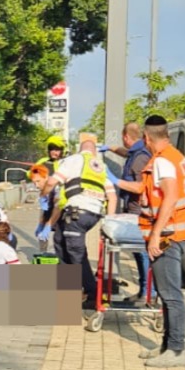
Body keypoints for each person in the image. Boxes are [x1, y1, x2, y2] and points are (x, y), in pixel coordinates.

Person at [139, 118, 185, 367]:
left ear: (147, 137)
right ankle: (167, 345)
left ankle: (176, 351)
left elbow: (170, 196)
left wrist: (155, 234)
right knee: (167, 294)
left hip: (166, 236)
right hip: (176, 233)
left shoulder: (162, 161)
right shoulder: (176, 157)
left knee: (170, 294)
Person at [50, 130, 117, 320]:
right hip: (91, 215)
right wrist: (109, 220)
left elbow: (54, 181)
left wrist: (43, 191)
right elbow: (112, 196)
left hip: (77, 213)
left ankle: (92, 293)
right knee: (60, 241)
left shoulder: (74, 160)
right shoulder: (101, 167)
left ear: (81, 150)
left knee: (76, 253)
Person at [113, 121, 152, 305]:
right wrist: (109, 148)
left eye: (123, 139)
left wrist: (115, 181)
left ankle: (147, 293)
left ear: (127, 137)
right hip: (133, 210)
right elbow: (124, 152)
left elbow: (140, 187)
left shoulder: (140, 157)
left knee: (143, 252)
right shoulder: (135, 152)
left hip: (140, 212)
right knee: (137, 252)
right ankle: (143, 291)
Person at [29, 133, 67, 250]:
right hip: (46, 200)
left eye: (58, 150)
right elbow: (32, 174)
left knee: (62, 234)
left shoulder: (67, 162)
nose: (54, 152)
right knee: (42, 232)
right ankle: (43, 254)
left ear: (62, 151)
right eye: (52, 149)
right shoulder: (43, 162)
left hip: (61, 200)